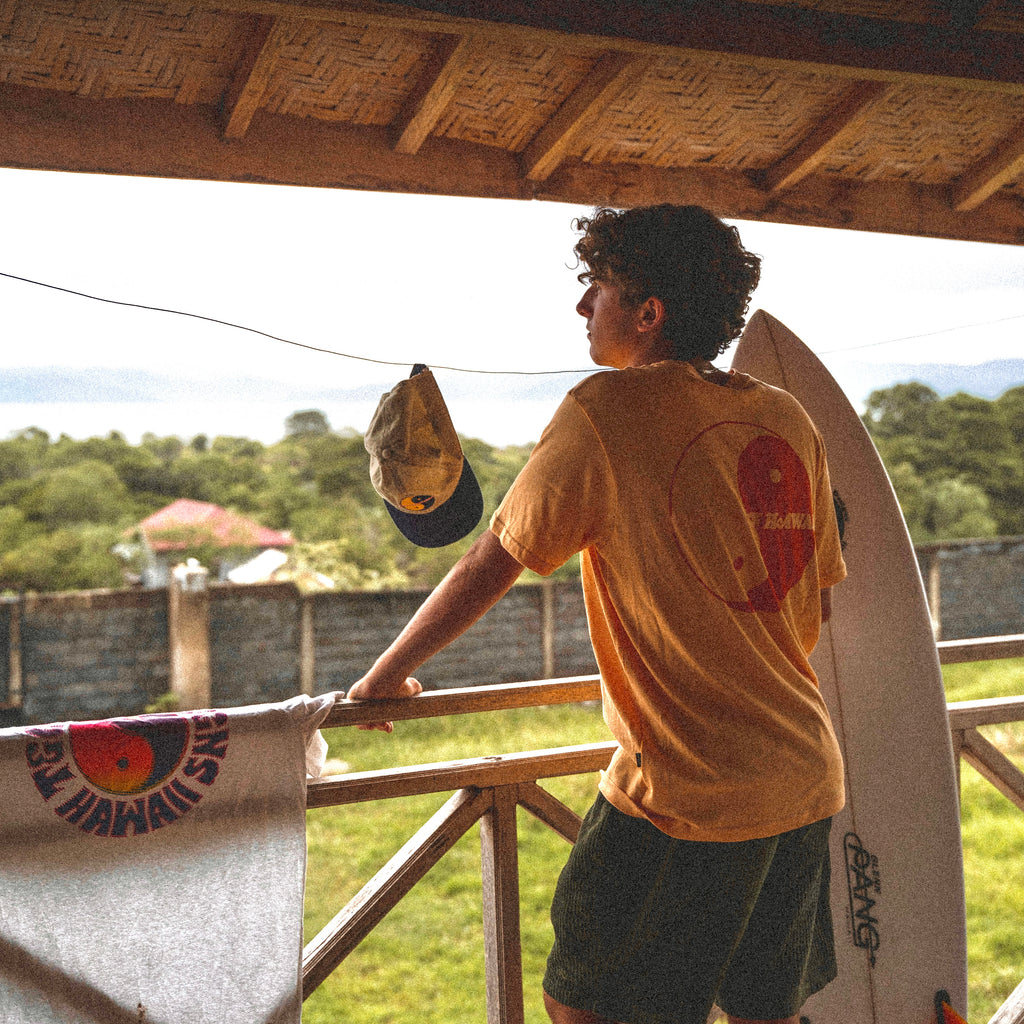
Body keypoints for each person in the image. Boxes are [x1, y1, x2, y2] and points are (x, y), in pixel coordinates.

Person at [345, 204, 847, 1024]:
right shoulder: (785, 418)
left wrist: (385, 673)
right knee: (766, 1012)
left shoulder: (607, 413)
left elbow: (489, 560)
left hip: (689, 789)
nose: (584, 309)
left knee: (585, 1007)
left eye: (599, 290)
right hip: (802, 774)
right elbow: (813, 597)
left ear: (648, 314)